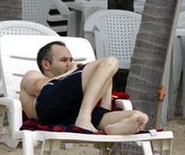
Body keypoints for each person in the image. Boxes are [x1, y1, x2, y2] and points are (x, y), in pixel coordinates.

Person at [20, 41, 148, 135]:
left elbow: (104, 100)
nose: (70, 63)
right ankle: (84, 117)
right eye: (64, 60)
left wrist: (104, 83)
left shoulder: (71, 84)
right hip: (47, 108)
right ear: (46, 64)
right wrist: (73, 72)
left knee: (140, 117)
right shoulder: (32, 75)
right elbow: (39, 89)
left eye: (71, 59)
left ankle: (111, 128)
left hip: (71, 114)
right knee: (111, 61)